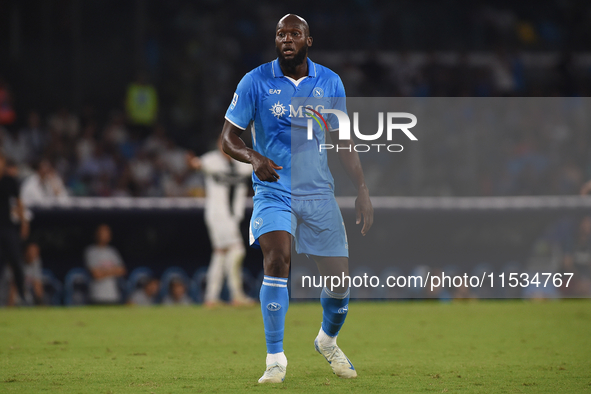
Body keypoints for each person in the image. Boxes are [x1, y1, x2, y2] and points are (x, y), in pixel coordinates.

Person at [221, 14, 373, 383]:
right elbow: (227, 139)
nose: (286, 39)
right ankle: (275, 358)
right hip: (274, 190)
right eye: (280, 34)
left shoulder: (330, 82)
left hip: (319, 193)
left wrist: (362, 189)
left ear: (308, 40)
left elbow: (343, 142)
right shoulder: (255, 81)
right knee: (277, 258)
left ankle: (327, 340)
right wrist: (254, 158)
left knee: (339, 282)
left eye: (294, 34)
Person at [187, 136, 254, 307]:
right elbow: (196, 164)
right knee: (237, 250)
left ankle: (211, 297)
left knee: (220, 254)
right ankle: (237, 294)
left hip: (232, 217)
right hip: (218, 214)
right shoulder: (211, 160)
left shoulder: (242, 162)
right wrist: (191, 162)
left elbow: (258, 165)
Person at [0, 152, 28, 304]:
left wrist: (23, 222)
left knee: (16, 262)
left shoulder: (9, 181)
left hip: (7, 228)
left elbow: (19, 202)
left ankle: (22, 296)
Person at [85, 224, 127, 304]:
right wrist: (114, 270)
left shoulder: (112, 251)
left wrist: (103, 271)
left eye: (107, 233)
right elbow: (96, 274)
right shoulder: (91, 251)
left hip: (113, 296)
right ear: (96, 234)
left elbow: (122, 270)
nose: (105, 236)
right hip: (97, 296)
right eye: (102, 233)